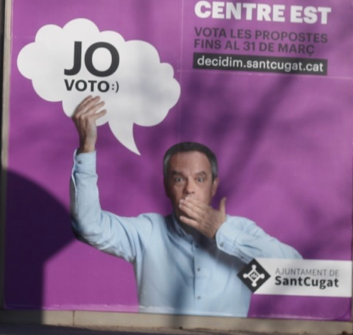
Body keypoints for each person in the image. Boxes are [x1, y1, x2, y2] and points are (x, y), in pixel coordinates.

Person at [69, 96, 301, 317]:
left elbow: (293, 269)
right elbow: (88, 226)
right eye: (179, 179)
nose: (189, 189)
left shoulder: (241, 230)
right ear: (167, 186)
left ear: (213, 186)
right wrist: (87, 149)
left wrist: (222, 233)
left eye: (200, 179)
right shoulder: (148, 232)